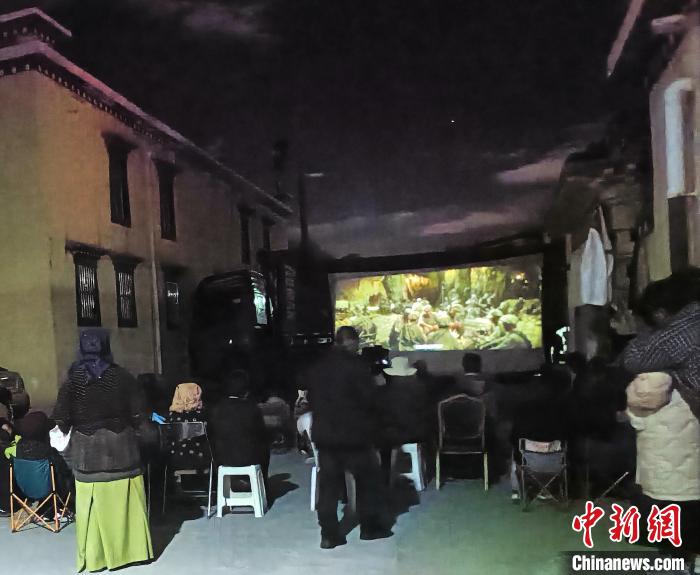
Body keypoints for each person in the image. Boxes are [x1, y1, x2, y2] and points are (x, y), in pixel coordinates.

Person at [52, 330, 153, 573]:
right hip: (124, 455)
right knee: (127, 507)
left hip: (88, 460)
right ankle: (133, 553)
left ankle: (96, 558)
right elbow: (139, 416)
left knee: (92, 510)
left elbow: (61, 421)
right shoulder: (124, 378)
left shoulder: (72, 382)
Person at [307, 326, 391, 549]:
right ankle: (370, 528)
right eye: (357, 343)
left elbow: (312, 400)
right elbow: (369, 400)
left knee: (329, 486)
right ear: (351, 342)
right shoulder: (357, 366)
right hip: (354, 436)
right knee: (368, 481)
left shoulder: (317, 367)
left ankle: (328, 534)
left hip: (326, 435)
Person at [208, 370, 270, 495]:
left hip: (223, 460)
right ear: (245, 391)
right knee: (264, 446)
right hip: (248, 459)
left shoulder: (216, 409)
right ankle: (262, 487)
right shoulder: (252, 408)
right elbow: (262, 434)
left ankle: (228, 486)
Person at [376, 357, 430, 484]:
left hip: (392, 434)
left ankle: (385, 475)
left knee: (380, 439)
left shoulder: (382, 392)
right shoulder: (421, 389)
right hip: (418, 433)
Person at [164, 382, 209, 469]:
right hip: (198, 460)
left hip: (173, 460)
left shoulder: (171, 415)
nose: (198, 397)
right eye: (195, 394)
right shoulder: (198, 415)